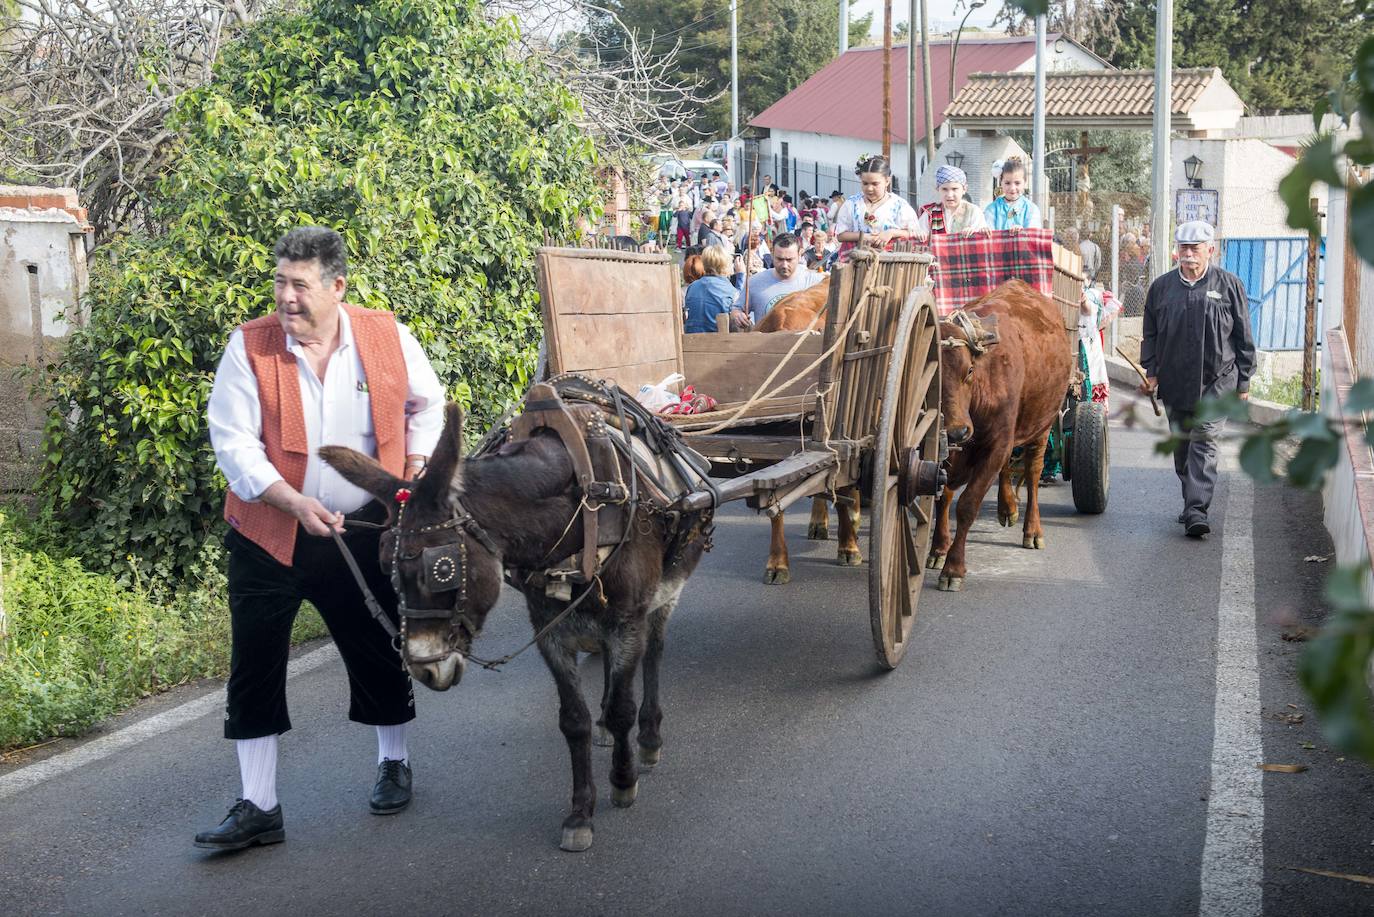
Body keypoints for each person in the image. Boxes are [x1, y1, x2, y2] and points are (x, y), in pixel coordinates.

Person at [200, 226, 445, 850]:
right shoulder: (249, 347)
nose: (285, 297)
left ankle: (393, 761)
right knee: (253, 663)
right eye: (280, 281)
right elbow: (232, 441)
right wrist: (290, 501)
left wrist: (414, 469)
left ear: (337, 287)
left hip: (362, 528)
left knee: (374, 645)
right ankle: (259, 807)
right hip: (267, 532)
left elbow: (429, 405)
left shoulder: (386, 336)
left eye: (299, 285)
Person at [1139, 220, 1255, 538]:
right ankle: (1191, 499)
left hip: (1219, 381)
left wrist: (1244, 382)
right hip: (1176, 381)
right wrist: (1151, 371)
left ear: (1210, 250)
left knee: (1203, 440)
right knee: (1182, 446)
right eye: (1183, 248)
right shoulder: (1161, 288)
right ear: (1176, 251)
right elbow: (1150, 334)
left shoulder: (1229, 285)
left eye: (1195, 248)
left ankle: (1196, 510)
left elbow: (1244, 336)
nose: (1188, 254)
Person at [833, 154, 921, 261]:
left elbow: (913, 233)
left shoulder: (900, 206)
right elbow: (841, 235)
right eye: (865, 183)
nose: (869, 188)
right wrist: (866, 237)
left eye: (875, 184)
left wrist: (891, 233)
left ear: (887, 181)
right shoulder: (851, 204)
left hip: (891, 264)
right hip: (856, 263)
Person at [737, 232, 825, 324]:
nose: (784, 265)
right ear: (772, 254)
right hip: (765, 337)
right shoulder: (755, 282)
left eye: (789, 259)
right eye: (779, 259)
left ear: (799, 256)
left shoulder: (816, 283)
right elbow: (737, 309)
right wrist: (738, 316)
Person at [684, 245, 751, 333]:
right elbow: (738, 309)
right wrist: (741, 276)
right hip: (718, 341)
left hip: (692, 339)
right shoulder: (730, 291)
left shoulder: (692, 287)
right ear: (725, 264)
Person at [916, 164, 987, 238]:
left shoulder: (973, 211)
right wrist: (920, 234)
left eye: (954, 189)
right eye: (944, 189)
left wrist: (974, 232)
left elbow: (982, 237)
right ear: (938, 189)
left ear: (964, 189)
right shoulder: (930, 213)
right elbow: (920, 234)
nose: (949, 195)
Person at [983, 158, 1042, 229]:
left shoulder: (1031, 209)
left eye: (1017, 183)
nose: (1012, 188)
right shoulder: (992, 209)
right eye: (1007, 183)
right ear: (1001, 182)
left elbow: (1033, 234)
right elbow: (987, 233)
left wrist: (1023, 232)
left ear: (1024, 183)